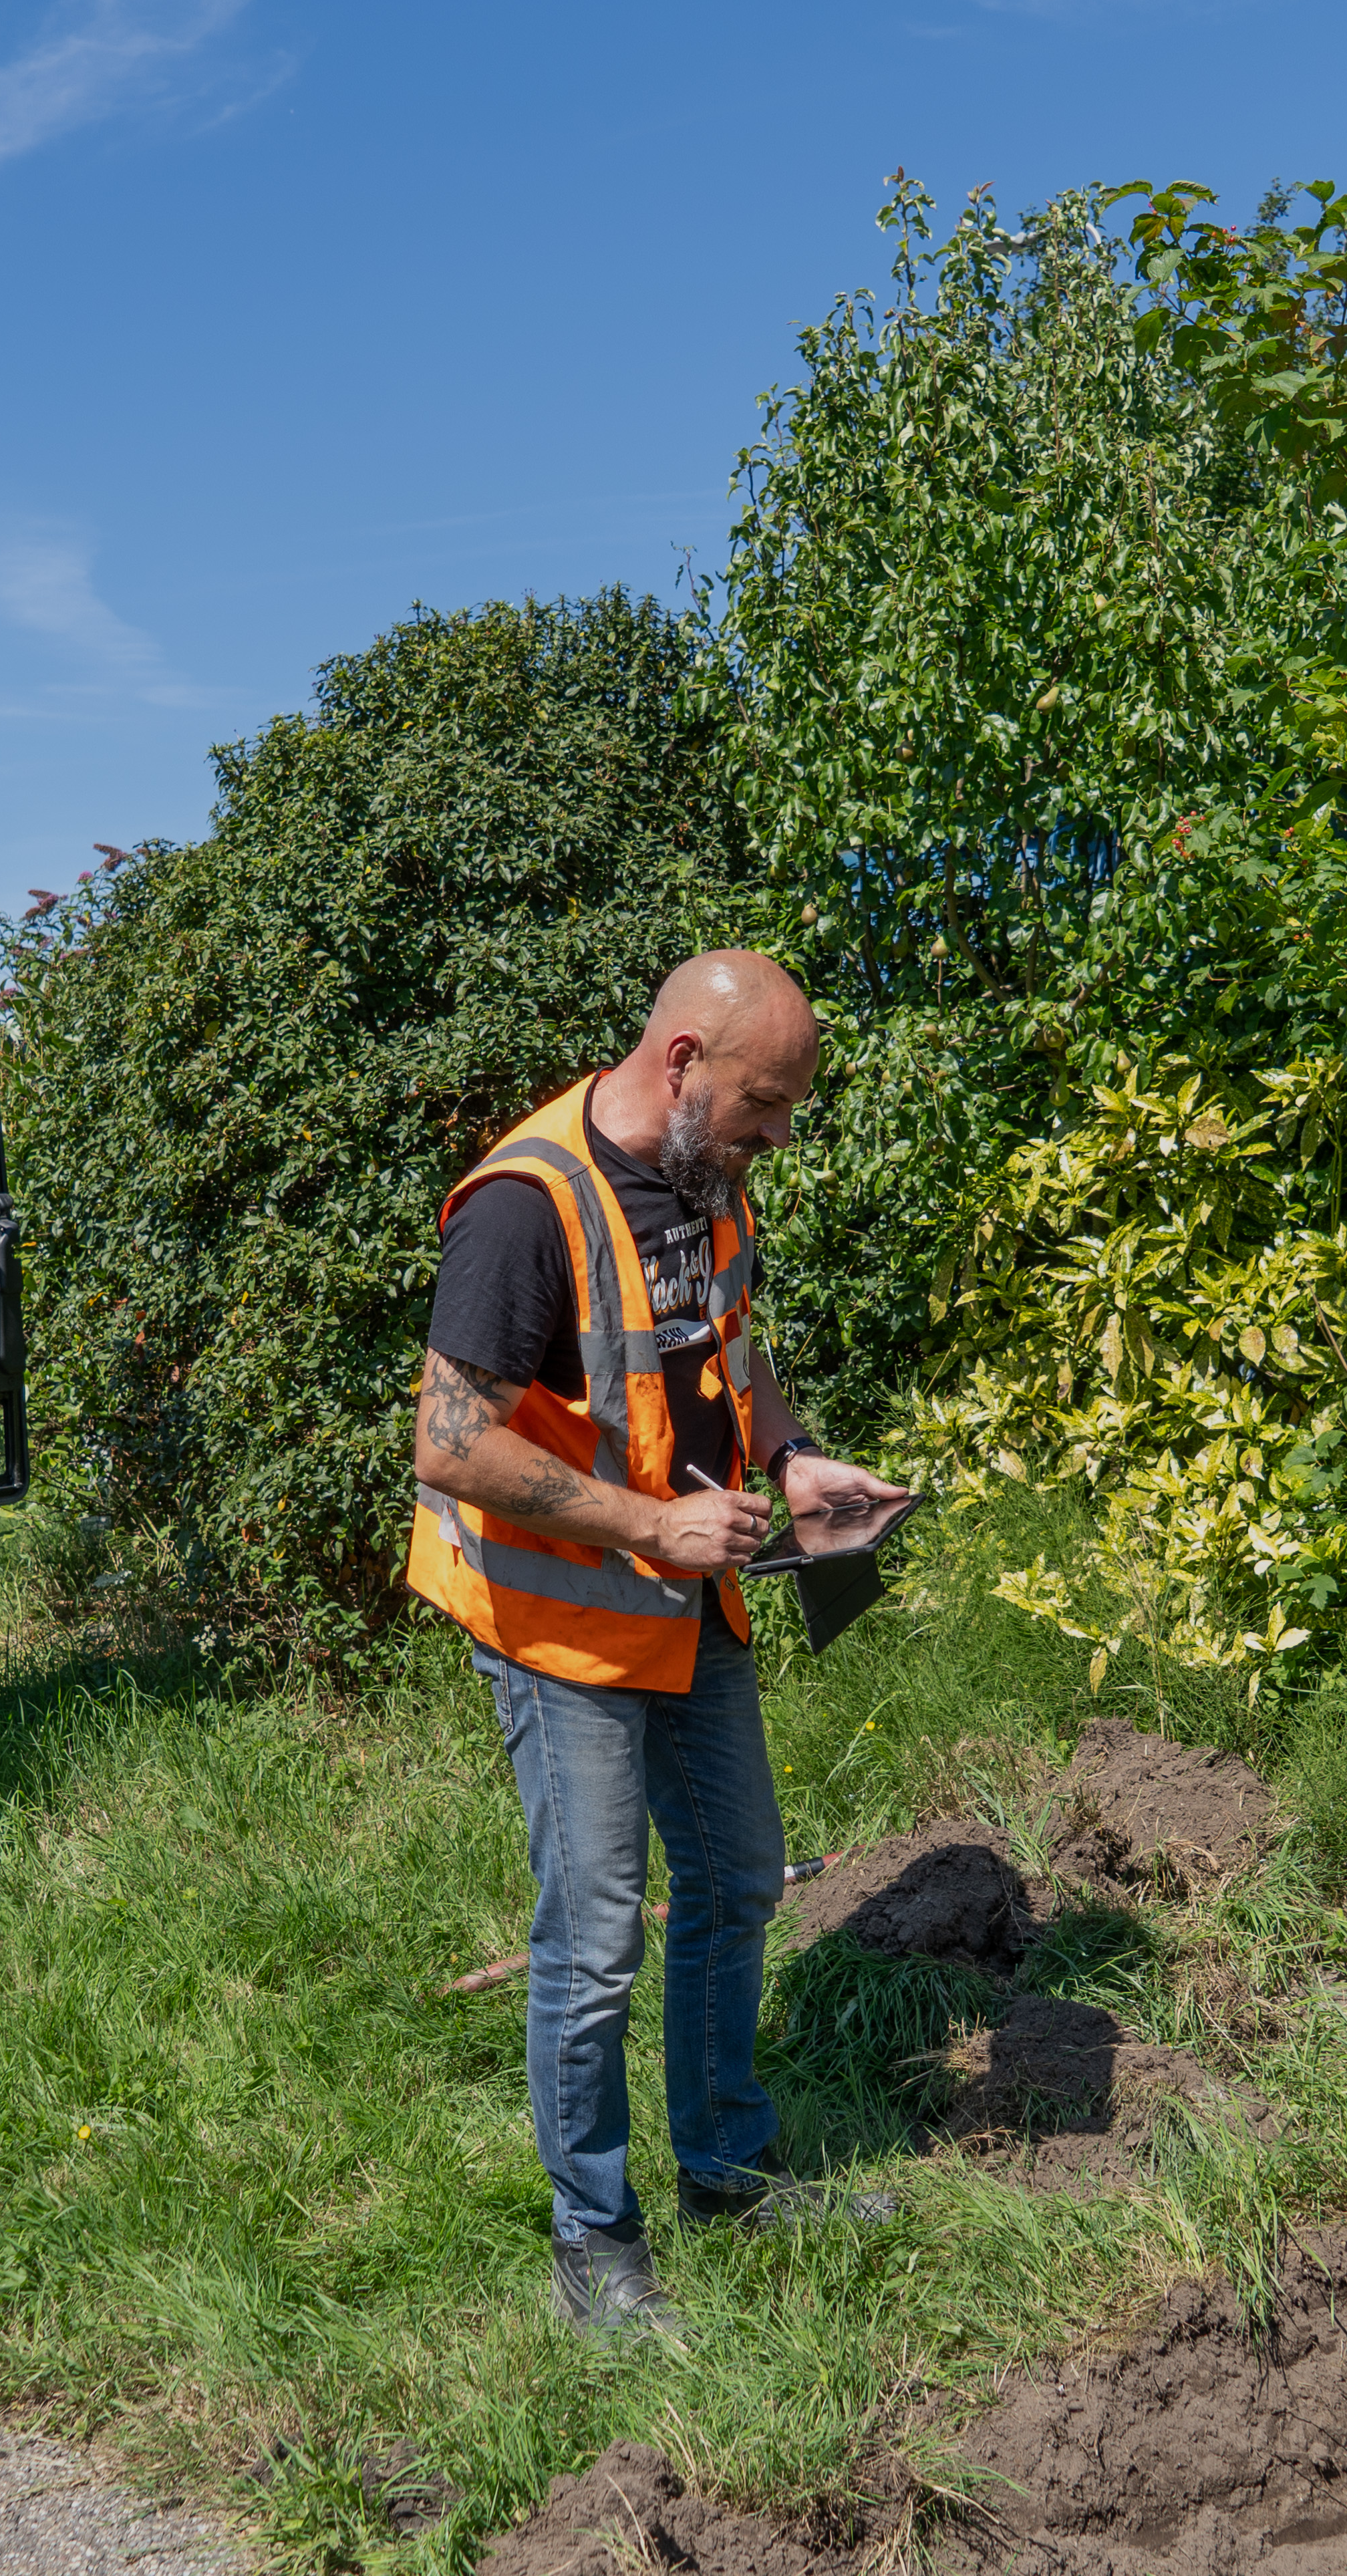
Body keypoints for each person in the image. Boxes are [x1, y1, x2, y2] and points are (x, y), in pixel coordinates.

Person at [408, 950, 911, 2331]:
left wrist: (794, 1458)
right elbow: (447, 1440)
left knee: (741, 1879)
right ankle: (594, 2247)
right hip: (561, 1626)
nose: (778, 1132)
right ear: (685, 1059)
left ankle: (729, 2172)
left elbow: (733, 1353)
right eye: (765, 1100)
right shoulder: (525, 1206)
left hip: (690, 1605)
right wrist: (645, 1522)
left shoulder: (708, 1173)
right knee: (593, 1941)